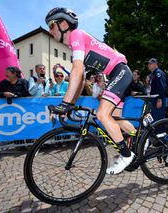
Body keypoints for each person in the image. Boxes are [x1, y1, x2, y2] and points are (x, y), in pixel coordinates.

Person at [45, 7, 137, 174]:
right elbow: (80, 80)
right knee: (115, 117)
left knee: (103, 114)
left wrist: (64, 103)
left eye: (51, 25)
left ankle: (126, 154)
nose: (49, 30)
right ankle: (140, 138)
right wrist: (70, 104)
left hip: (120, 71)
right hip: (118, 73)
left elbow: (77, 69)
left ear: (63, 24)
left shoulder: (76, 35)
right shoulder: (77, 46)